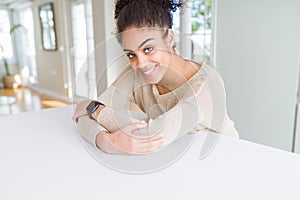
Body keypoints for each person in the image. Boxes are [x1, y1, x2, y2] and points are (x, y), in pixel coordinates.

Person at [73, 0, 238, 155]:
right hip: (180, 158)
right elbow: (83, 118)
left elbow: (152, 136)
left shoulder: (204, 88)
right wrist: (105, 141)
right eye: (131, 55)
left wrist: (93, 109)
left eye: (148, 49)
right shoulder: (138, 75)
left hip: (222, 158)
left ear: (170, 38)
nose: (141, 63)